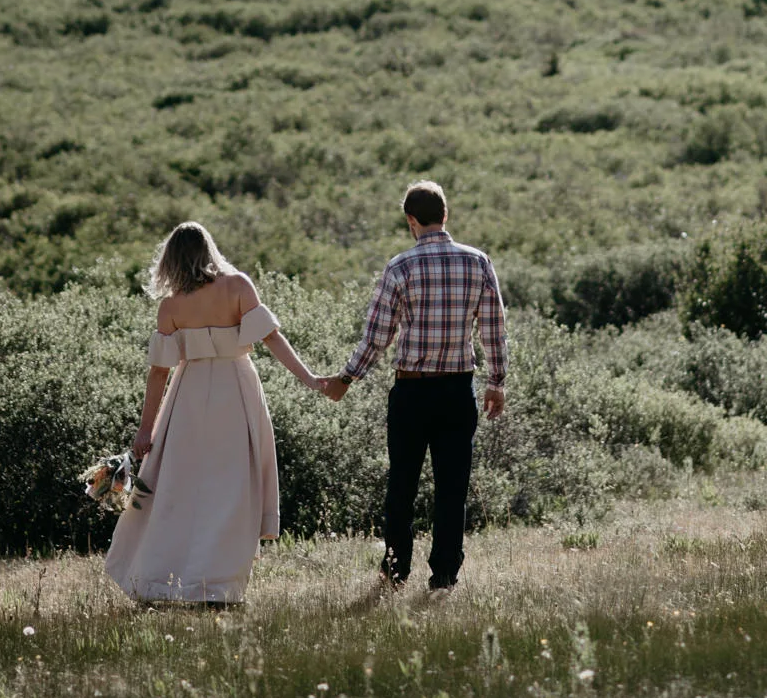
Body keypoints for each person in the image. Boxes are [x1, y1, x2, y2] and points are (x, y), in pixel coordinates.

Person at [104, 220, 323, 605]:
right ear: (209, 250)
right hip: (235, 388)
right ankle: (218, 584)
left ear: (170, 259)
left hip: (187, 395)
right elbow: (271, 337)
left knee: (180, 487)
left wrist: (145, 431)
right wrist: (311, 379)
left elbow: (159, 373)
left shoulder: (171, 306)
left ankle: (163, 580)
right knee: (233, 486)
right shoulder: (238, 285)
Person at [323, 180, 507, 591]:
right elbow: (494, 329)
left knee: (402, 484)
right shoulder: (478, 263)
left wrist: (346, 379)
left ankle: (395, 571)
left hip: (411, 391)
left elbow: (376, 336)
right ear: (446, 215)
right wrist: (496, 382)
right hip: (459, 390)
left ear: (411, 220)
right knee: (452, 486)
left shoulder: (400, 267)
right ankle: (444, 574)